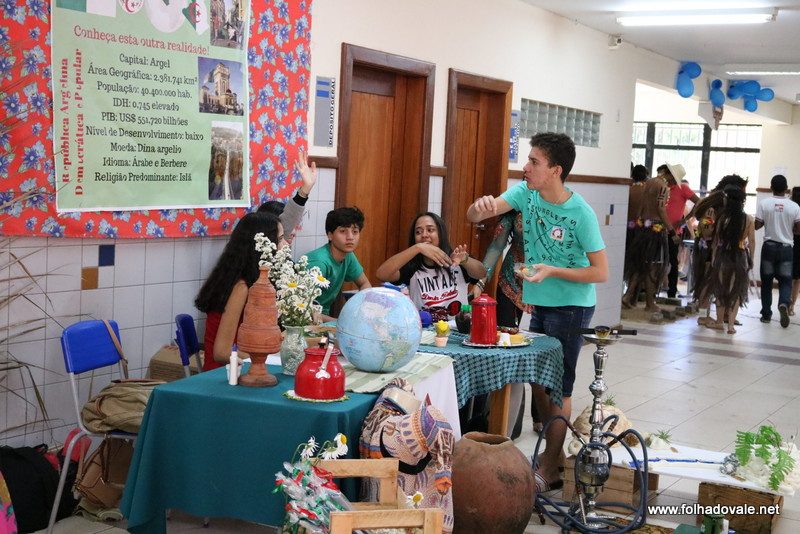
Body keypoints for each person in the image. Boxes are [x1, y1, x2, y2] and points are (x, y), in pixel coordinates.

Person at [467, 132, 608, 494]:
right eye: (527, 160)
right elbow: (479, 214)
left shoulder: (581, 213)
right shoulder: (524, 194)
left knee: (557, 386)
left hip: (572, 306)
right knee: (538, 380)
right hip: (541, 301)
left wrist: (552, 270)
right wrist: (479, 207)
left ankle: (550, 464)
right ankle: (552, 458)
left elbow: (600, 272)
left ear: (556, 170)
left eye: (534, 162)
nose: (525, 167)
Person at [194, 211, 285, 371]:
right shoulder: (240, 287)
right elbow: (221, 352)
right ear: (263, 246)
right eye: (280, 239)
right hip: (224, 373)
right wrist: (269, 357)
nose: (285, 245)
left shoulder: (250, 280)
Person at [376, 212, 486, 314]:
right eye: (418, 232)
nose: (424, 235)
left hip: (457, 325)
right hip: (425, 327)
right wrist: (417, 248)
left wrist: (465, 260)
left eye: (430, 230)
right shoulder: (412, 266)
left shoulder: (456, 259)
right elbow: (381, 274)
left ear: (441, 233)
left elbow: (482, 273)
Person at [687, 174, 749, 325]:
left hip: (711, 246)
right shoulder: (716, 203)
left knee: (719, 281)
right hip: (709, 247)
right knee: (707, 281)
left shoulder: (717, 200)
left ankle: (725, 315)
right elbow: (706, 228)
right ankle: (703, 316)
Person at [621, 163, 673, 312]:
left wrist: (640, 224)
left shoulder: (647, 184)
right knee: (653, 267)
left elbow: (640, 209)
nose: (674, 182)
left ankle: (629, 296)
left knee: (640, 264)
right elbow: (661, 208)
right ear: (669, 175)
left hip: (640, 228)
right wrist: (671, 230)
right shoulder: (663, 187)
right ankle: (650, 303)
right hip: (655, 230)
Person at [305, 206, 371, 319]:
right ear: (330, 235)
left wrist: (360, 309)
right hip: (306, 319)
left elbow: (365, 284)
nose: (350, 237)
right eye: (343, 231)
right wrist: (339, 323)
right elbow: (302, 308)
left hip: (323, 317)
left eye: (355, 232)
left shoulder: (348, 255)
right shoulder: (319, 263)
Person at [705, 186, 755, 334]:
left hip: (723, 254)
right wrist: (751, 259)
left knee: (720, 288)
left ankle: (719, 322)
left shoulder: (722, 217)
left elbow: (716, 240)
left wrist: (713, 257)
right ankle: (731, 325)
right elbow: (752, 241)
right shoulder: (748, 219)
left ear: (729, 200)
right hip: (740, 256)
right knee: (736, 290)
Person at [754, 174, 800, 327]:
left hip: (769, 247)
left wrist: (769, 219)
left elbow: (757, 225)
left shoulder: (764, 203)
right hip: (786, 249)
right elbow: (798, 230)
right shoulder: (794, 206)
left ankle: (766, 315)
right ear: (786, 189)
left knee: (767, 282)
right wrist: (788, 228)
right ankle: (784, 304)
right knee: (786, 281)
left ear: (771, 187)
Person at [258, 148, 318, 245]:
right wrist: (304, 190)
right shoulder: (264, 249)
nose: (293, 232)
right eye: (289, 224)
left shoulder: (283, 250)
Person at [662, 163, 700, 298]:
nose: (664, 175)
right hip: (658, 230)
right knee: (658, 261)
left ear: (672, 176)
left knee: (673, 261)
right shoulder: (664, 187)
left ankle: (672, 291)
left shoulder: (682, 188)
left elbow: (698, 202)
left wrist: (685, 220)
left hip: (673, 232)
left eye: (667, 173)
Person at [791, 187, 800, 316]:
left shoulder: (791, 209)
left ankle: (785, 301)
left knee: (787, 277)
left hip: (789, 244)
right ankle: (791, 306)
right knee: (797, 279)